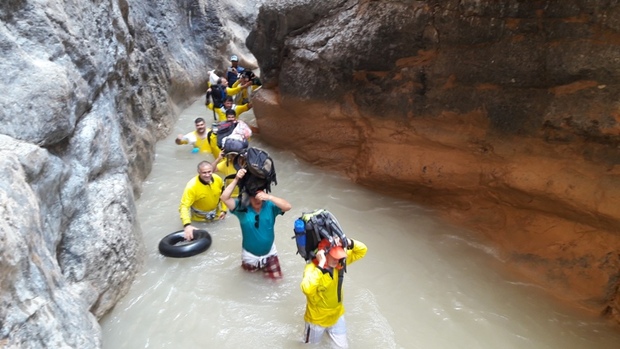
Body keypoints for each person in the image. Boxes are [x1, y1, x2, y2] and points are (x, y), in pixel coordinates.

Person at [220, 168, 292, 279]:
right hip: (249, 257)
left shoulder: (270, 205)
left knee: (277, 283)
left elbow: (288, 206)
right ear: (248, 197)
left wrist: (269, 197)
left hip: (270, 254)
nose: (257, 200)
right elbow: (224, 198)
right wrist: (237, 179)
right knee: (248, 283)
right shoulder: (241, 208)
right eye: (254, 196)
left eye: (259, 196)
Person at [300, 236, 368, 348]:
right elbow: (306, 288)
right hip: (317, 320)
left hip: (336, 316)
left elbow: (362, 250)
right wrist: (321, 265)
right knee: (309, 347)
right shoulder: (312, 268)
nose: (337, 260)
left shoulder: (339, 264)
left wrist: (347, 242)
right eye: (334, 256)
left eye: (339, 256)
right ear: (323, 254)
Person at [180, 161, 227, 240]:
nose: (207, 175)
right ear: (199, 172)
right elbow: (184, 206)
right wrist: (187, 225)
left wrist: (224, 210)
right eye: (204, 173)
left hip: (217, 215)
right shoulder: (192, 187)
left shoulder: (218, 179)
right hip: (199, 220)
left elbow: (224, 195)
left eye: (209, 172)